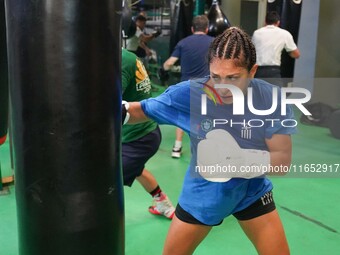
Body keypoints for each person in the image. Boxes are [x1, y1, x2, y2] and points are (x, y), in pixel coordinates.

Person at [123, 27, 294, 254]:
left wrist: (238, 160)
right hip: (203, 195)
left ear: (252, 71)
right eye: (216, 76)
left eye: (233, 78)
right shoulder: (190, 94)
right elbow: (138, 111)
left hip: (251, 192)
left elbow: (282, 161)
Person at [121, 48, 175, 219]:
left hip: (138, 138)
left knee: (104, 181)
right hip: (142, 133)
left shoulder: (119, 60)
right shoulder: (127, 56)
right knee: (137, 169)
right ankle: (163, 203)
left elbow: (104, 102)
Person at [160, 15, 214, 158]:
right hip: (207, 87)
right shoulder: (214, 43)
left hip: (186, 86)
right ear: (207, 29)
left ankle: (177, 147)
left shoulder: (183, 43)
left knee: (183, 115)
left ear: (192, 28)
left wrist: (163, 69)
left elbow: (169, 63)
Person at [252, 11, 300, 87]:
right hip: (273, 71)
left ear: (265, 22)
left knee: (257, 96)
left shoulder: (256, 33)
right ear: (278, 22)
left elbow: (251, 51)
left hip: (258, 71)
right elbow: (296, 54)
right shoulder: (284, 34)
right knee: (275, 96)